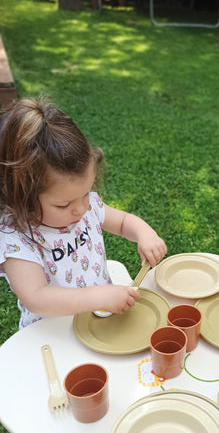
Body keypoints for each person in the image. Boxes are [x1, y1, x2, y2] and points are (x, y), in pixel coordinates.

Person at [0, 97, 167, 329]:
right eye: (63, 205)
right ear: (20, 195)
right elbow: (36, 297)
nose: (80, 208)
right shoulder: (17, 239)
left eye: (86, 193)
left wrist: (144, 233)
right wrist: (97, 297)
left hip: (98, 318)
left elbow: (123, 222)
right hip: (53, 334)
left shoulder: (83, 207)